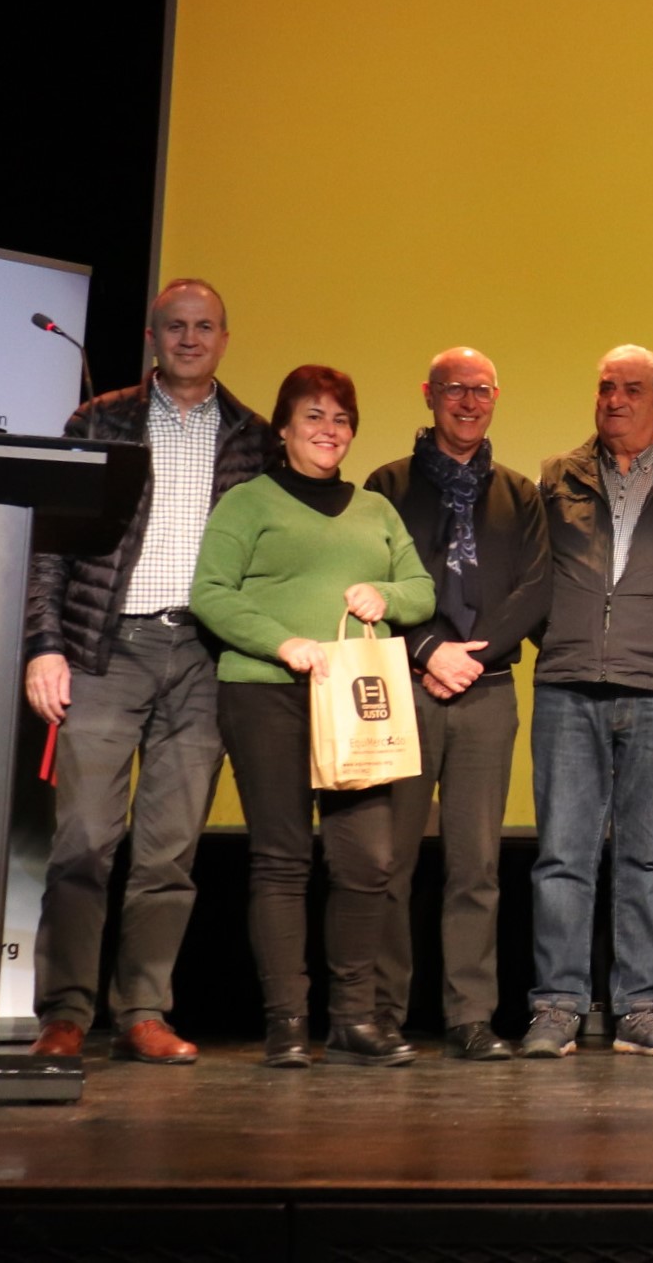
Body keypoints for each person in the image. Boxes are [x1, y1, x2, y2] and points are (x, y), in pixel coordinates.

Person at [22, 279, 267, 1065]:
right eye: (176, 326)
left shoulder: (253, 437)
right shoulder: (102, 420)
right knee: (84, 841)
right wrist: (43, 644)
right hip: (104, 650)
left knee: (169, 850)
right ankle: (63, 1013)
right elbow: (50, 544)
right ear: (153, 336)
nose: (191, 338)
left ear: (225, 338)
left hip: (202, 655)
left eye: (205, 326)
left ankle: (142, 1009)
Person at [190, 365, 435, 1068]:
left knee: (368, 860)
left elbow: (419, 588)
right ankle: (287, 1022)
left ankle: (354, 1018)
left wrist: (385, 596)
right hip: (266, 691)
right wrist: (282, 641)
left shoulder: (374, 509)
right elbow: (210, 592)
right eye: (313, 417)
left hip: (353, 700)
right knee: (283, 858)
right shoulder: (248, 502)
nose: (329, 431)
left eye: (341, 419)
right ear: (284, 429)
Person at [522, 345, 653, 1060]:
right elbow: (537, 573)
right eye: (605, 386)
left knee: (647, 859)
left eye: (631, 389)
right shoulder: (559, 474)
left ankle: (641, 1006)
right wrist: (567, 642)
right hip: (569, 684)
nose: (614, 398)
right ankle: (556, 1006)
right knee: (561, 857)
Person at [364, 348, 551, 1061]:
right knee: (390, 859)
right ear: (428, 395)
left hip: (489, 688)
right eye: (453, 389)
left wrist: (467, 656)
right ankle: (379, 1012)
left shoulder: (519, 492)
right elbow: (371, 578)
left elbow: (536, 589)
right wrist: (426, 649)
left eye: (479, 390)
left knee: (476, 864)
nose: (466, 402)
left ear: (496, 397)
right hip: (405, 683)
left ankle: (470, 1015)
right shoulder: (385, 484)